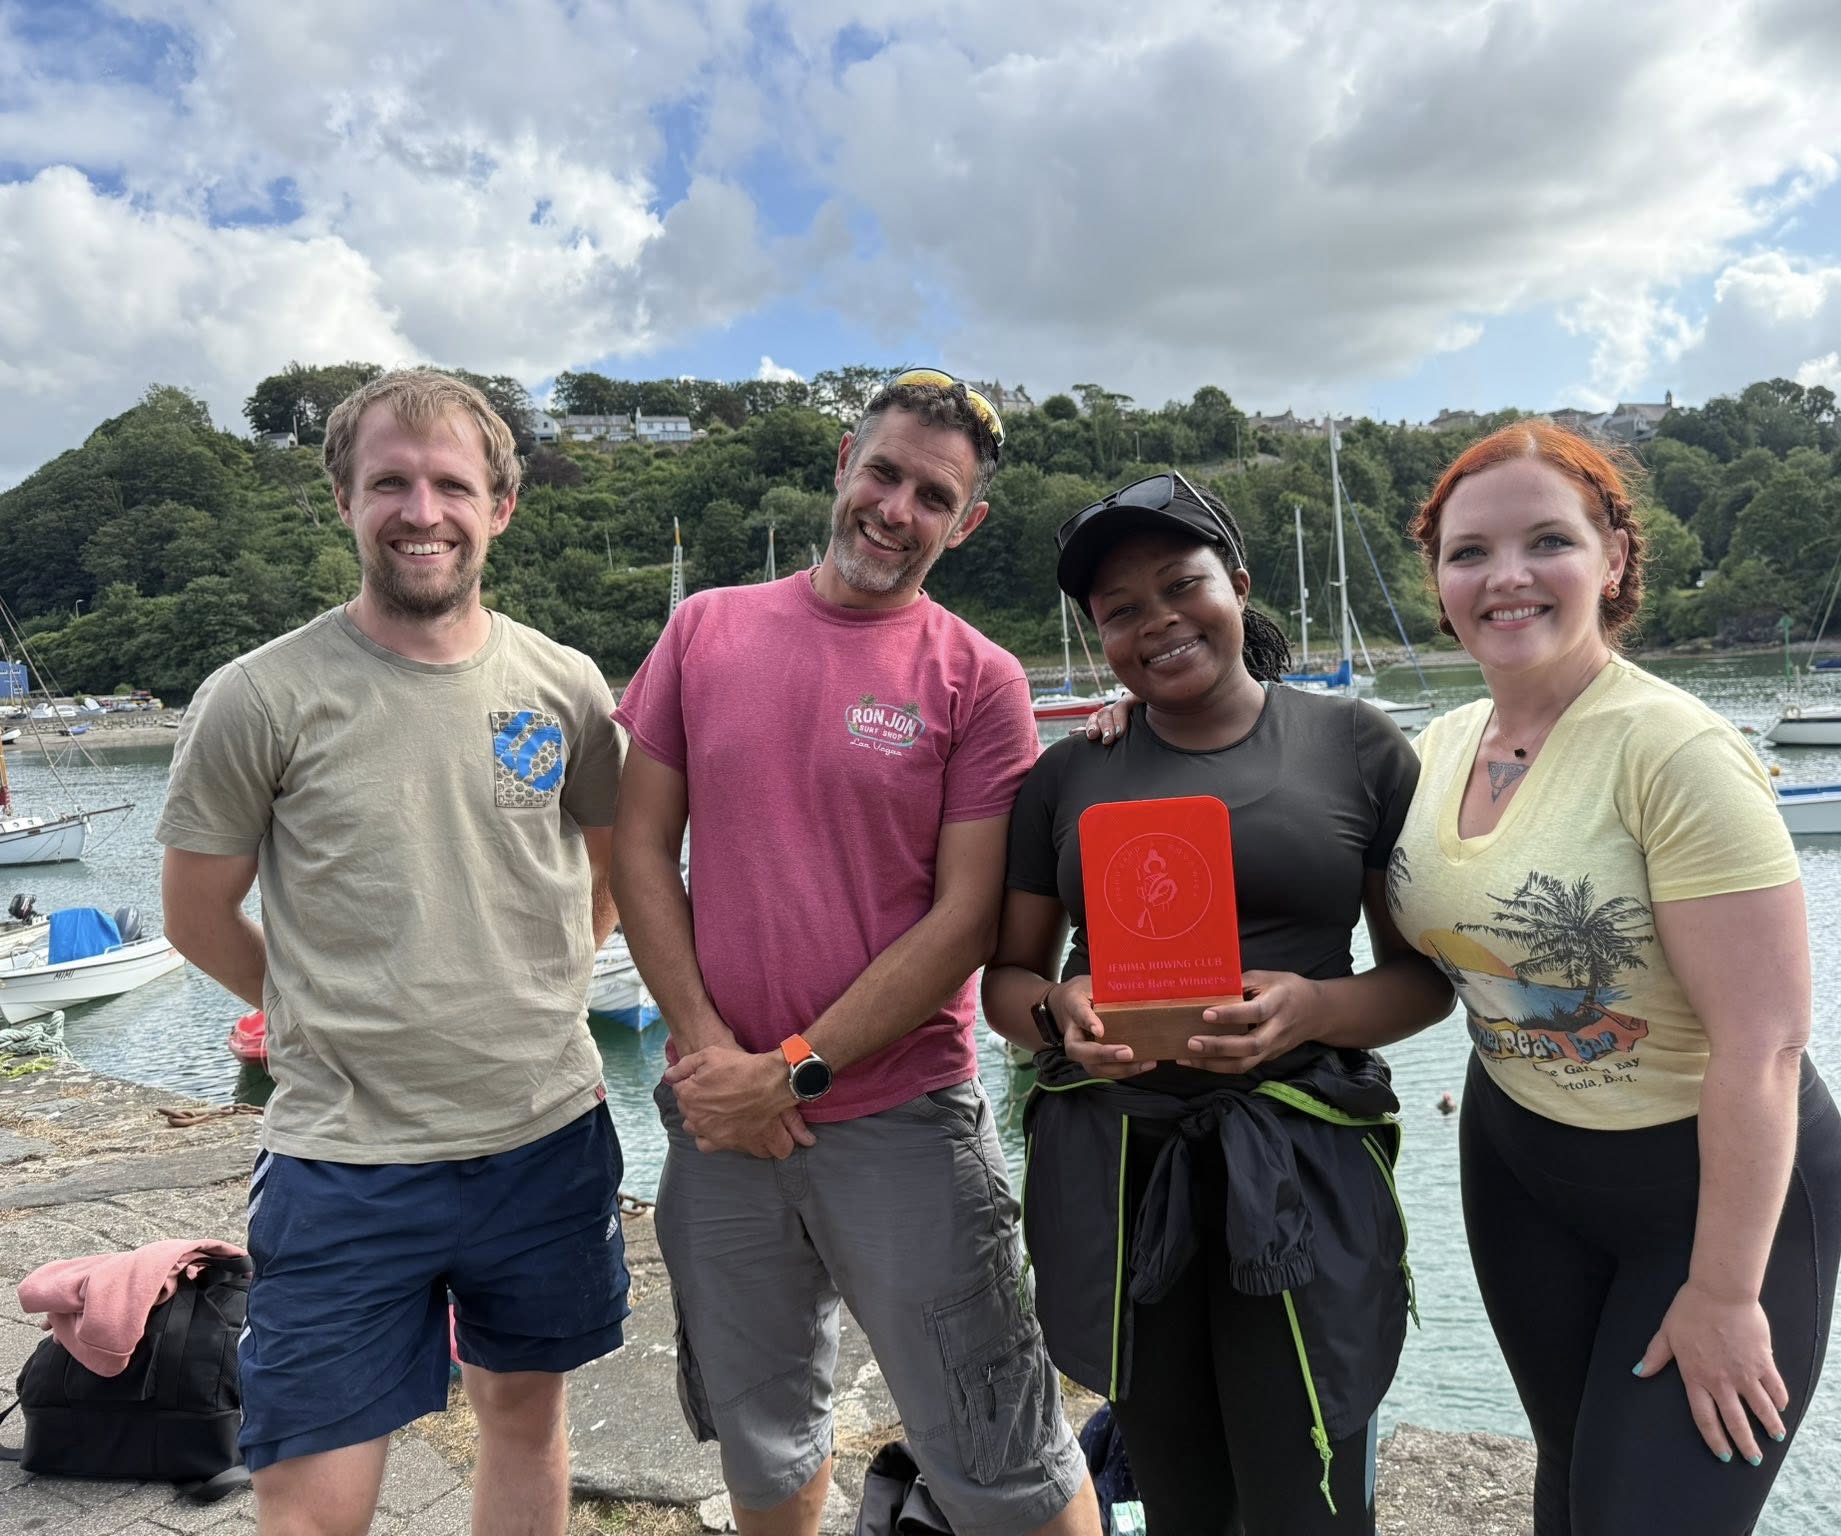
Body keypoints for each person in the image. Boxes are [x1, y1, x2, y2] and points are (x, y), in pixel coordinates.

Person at [610, 371, 1096, 1536]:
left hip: (901, 1122)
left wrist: (792, 1068)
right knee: (760, 1433)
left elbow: (964, 922)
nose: (895, 508)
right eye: (883, 473)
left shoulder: (979, 678)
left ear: (964, 523)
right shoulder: (704, 627)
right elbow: (637, 849)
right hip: (718, 1115)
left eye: (932, 495)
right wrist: (711, 1057)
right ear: (842, 461)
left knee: (1000, 1444)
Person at [158, 370, 630, 1536]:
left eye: (451, 485)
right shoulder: (259, 697)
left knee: (524, 1425)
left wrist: (531, 985)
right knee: (310, 1494)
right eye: (390, 483)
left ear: (500, 506)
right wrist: (314, 1005)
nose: (422, 510)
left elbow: (618, 876)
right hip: (342, 1158)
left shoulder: (563, 687)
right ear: (343, 499)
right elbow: (196, 912)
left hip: (544, 1137)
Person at [1389, 421, 1841, 1534]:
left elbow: (1765, 1040)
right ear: (1438, 579)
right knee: (1569, 1488)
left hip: (1704, 1193)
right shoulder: (1442, 743)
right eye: (1467, 552)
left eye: (1545, 540)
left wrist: (1726, 1292)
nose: (1503, 576)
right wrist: (1131, 727)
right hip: (1518, 1163)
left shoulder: (1671, 751)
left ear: (1612, 560)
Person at [982, 472, 1456, 1535]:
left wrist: (1311, 1011)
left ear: (1236, 585)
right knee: (1178, 1484)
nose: (1156, 622)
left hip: (1299, 1165)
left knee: (1313, 1485)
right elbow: (1001, 984)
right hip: (1122, 1173)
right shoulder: (1066, 779)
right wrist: (1064, 1013)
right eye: (1118, 612)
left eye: (1180, 584)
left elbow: (1424, 978)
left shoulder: (1356, 747)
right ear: (1095, 635)